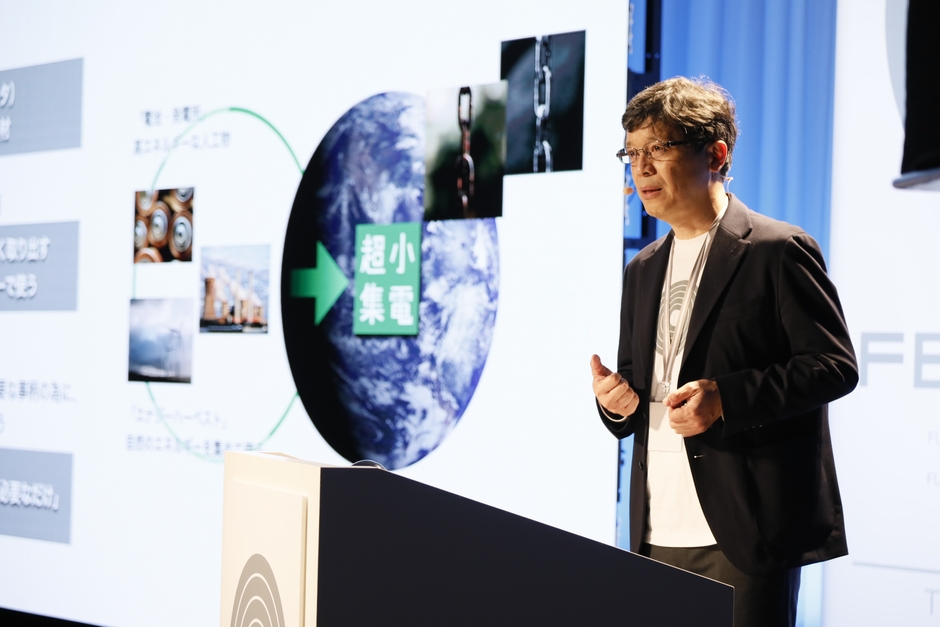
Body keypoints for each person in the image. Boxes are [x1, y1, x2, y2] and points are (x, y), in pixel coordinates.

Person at [590, 77, 858, 627]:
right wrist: (616, 403)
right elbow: (639, 383)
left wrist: (726, 399)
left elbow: (833, 366)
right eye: (632, 154)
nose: (641, 168)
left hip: (743, 529)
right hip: (654, 527)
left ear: (715, 154)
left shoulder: (777, 249)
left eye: (658, 148)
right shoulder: (642, 269)